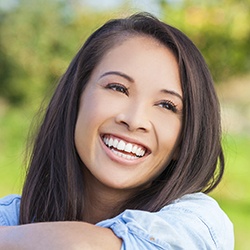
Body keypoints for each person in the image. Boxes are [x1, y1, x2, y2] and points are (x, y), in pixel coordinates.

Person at [0, 12, 234, 249]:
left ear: (184, 140)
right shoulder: (10, 218)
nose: (134, 120)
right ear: (75, 98)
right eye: (118, 88)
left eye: (166, 105)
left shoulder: (196, 225)